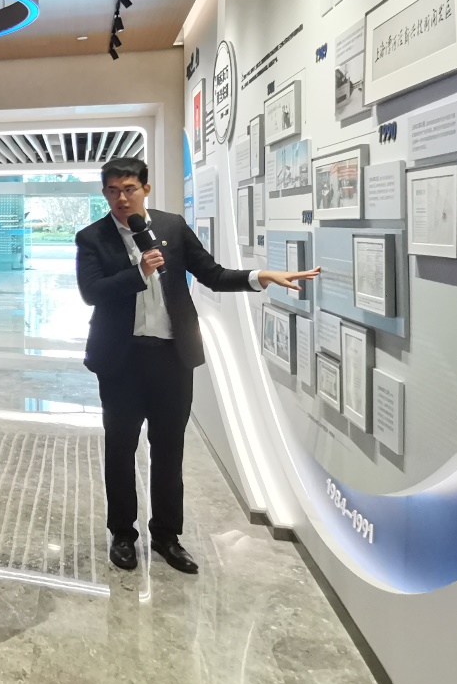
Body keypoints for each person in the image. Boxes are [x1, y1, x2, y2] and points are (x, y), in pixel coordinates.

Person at [76, 157, 319, 575]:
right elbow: (91, 292)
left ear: (145, 189)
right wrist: (139, 271)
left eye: (129, 188)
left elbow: (212, 274)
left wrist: (260, 276)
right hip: (121, 361)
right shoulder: (92, 237)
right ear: (104, 194)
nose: (121, 198)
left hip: (173, 358)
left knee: (169, 451)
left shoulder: (171, 228)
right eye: (112, 190)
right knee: (120, 450)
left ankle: (167, 535)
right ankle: (123, 534)